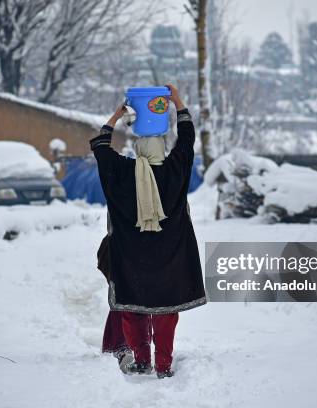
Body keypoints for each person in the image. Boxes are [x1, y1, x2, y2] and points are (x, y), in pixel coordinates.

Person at [89, 83, 206, 379]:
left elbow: (101, 147)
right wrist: (177, 101)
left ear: (137, 151)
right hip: (171, 256)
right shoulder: (175, 170)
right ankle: (163, 365)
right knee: (166, 311)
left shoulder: (122, 172)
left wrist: (116, 116)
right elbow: (187, 138)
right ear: (162, 152)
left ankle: (142, 361)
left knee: (133, 308)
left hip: (131, 258)